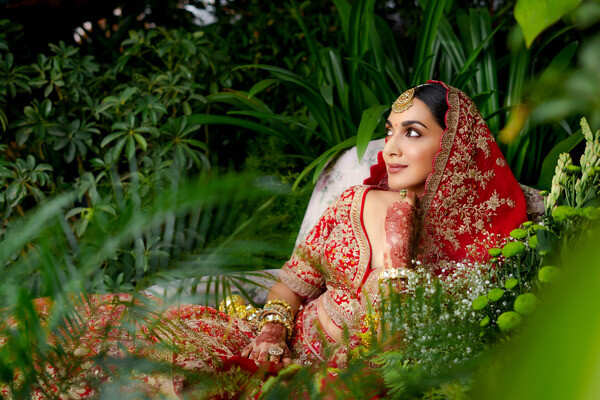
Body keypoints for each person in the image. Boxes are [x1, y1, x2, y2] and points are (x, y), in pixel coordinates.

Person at [1, 80, 528, 398]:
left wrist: (396, 235)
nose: (389, 148)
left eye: (412, 132)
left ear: (455, 145)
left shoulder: (485, 259)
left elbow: (396, 346)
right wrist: (270, 334)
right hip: (263, 348)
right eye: (390, 131)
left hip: (319, 387)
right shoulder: (352, 204)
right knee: (90, 347)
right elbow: (291, 283)